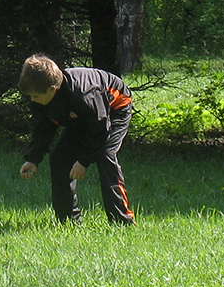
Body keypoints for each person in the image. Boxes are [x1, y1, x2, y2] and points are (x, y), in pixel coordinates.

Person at [17, 54, 135, 225]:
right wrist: (33, 158)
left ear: (52, 89)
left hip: (114, 108)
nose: (32, 100)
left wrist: (83, 161)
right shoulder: (44, 96)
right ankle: (68, 221)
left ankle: (122, 221)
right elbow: (44, 127)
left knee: (105, 156)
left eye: (35, 96)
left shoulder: (84, 93)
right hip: (85, 116)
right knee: (59, 158)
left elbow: (100, 127)